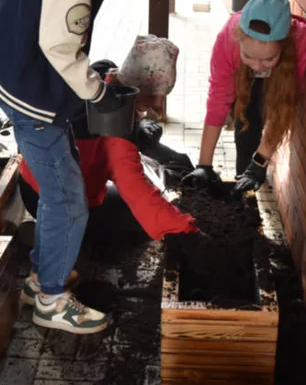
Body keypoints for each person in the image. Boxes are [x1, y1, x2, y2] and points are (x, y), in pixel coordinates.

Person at [0, 0, 181, 334]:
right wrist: (97, 91)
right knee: (69, 198)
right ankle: (50, 299)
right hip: (28, 85)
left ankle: (39, 277)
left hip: (10, 68)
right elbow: (59, 45)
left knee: (61, 187)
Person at [18, 61, 197, 289]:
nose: (158, 104)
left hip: (32, 186)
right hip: (63, 202)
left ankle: (47, 234)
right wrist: (185, 229)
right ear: (139, 89)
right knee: (132, 217)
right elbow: (133, 187)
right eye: (156, 96)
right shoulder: (114, 118)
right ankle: (57, 253)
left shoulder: (95, 83)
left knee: (119, 205)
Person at [182, 0, 306, 196]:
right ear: (239, 42)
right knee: (246, 127)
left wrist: (259, 163)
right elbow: (218, 100)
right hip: (240, 76)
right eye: (249, 56)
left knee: (260, 120)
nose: (258, 67)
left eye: (267, 59)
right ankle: (242, 182)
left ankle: (250, 180)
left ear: (282, 48)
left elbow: (283, 108)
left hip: (281, 77)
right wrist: (203, 166)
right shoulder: (228, 38)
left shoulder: (298, 40)